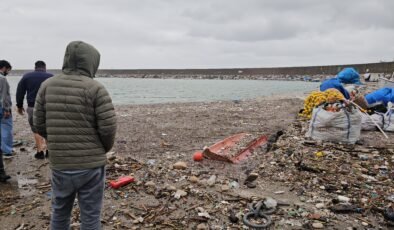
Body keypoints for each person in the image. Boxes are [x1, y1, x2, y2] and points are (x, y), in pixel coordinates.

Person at [34, 41, 117, 229]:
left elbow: (38, 123)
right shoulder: (96, 88)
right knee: (91, 216)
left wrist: (56, 141)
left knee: (60, 212)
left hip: (61, 163)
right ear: (92, 62)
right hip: (91, 165)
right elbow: (108, 127)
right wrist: (103, 149)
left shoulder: (47, 85)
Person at [16, 60, 53, 159]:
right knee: (48, 128)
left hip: (33, 106)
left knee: (36, 129)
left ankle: (40, 152)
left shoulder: (27, 76)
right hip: (49, 107)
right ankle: (49, 152)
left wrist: (19, 106)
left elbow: (20, 92)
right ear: (45, 67)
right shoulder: (51, 76)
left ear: (35, 67)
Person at [0, 60, 12, 182]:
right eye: (8, 69)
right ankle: (7, 150)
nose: (8, 72)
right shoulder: (2, 79)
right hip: (2, 109)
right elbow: (4, 96)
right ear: (4, 68)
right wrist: (7, 109)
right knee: (6, 130)